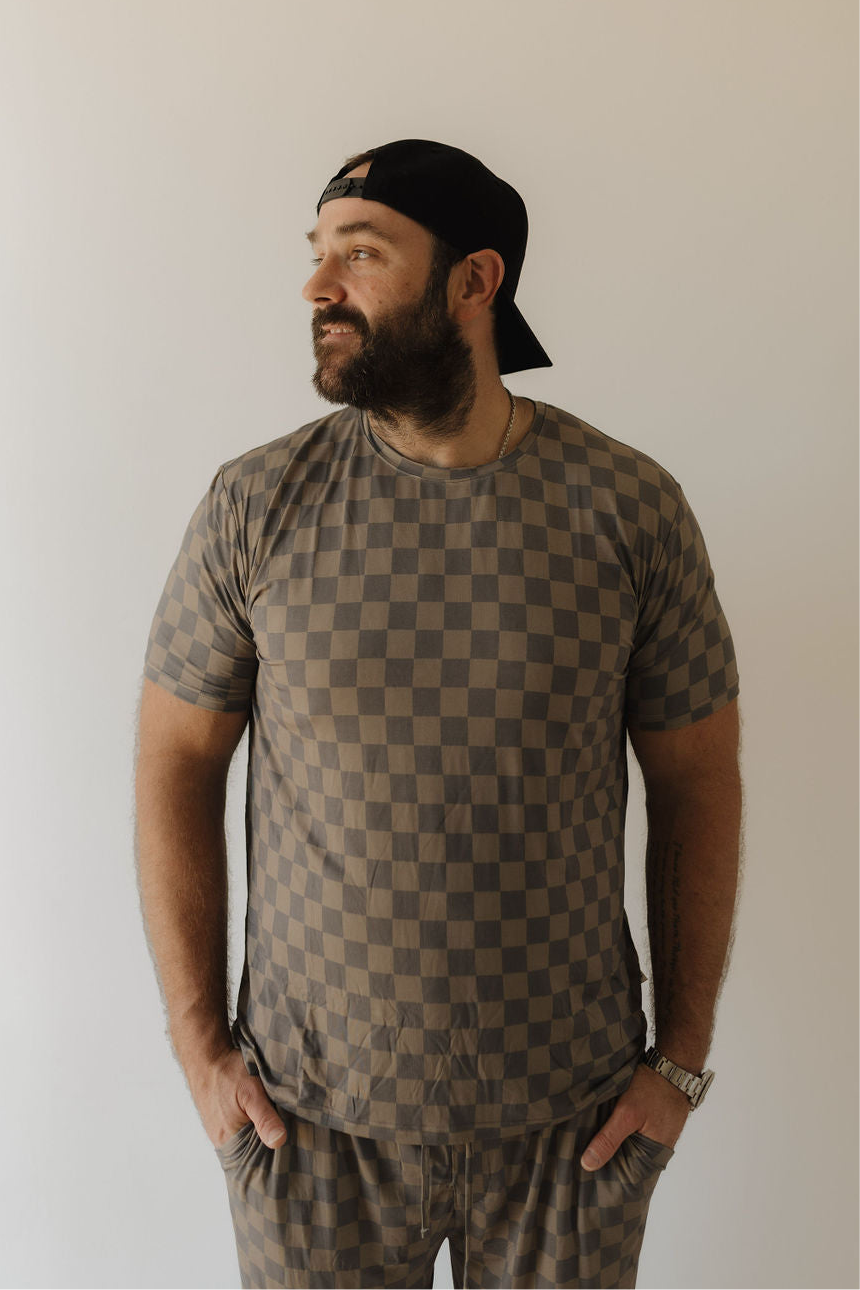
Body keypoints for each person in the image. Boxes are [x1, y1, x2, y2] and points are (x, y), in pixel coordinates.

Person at [135, 139, 741, 1290]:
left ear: (474, 280)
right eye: (317, 257)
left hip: (573, 1129)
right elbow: (173, 758)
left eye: (359, 254)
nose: (319, 287)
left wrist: (683, 1063)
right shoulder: (257, 504)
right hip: (308, 1134)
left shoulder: (628, 508)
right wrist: (200, 1050)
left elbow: (695, 781)